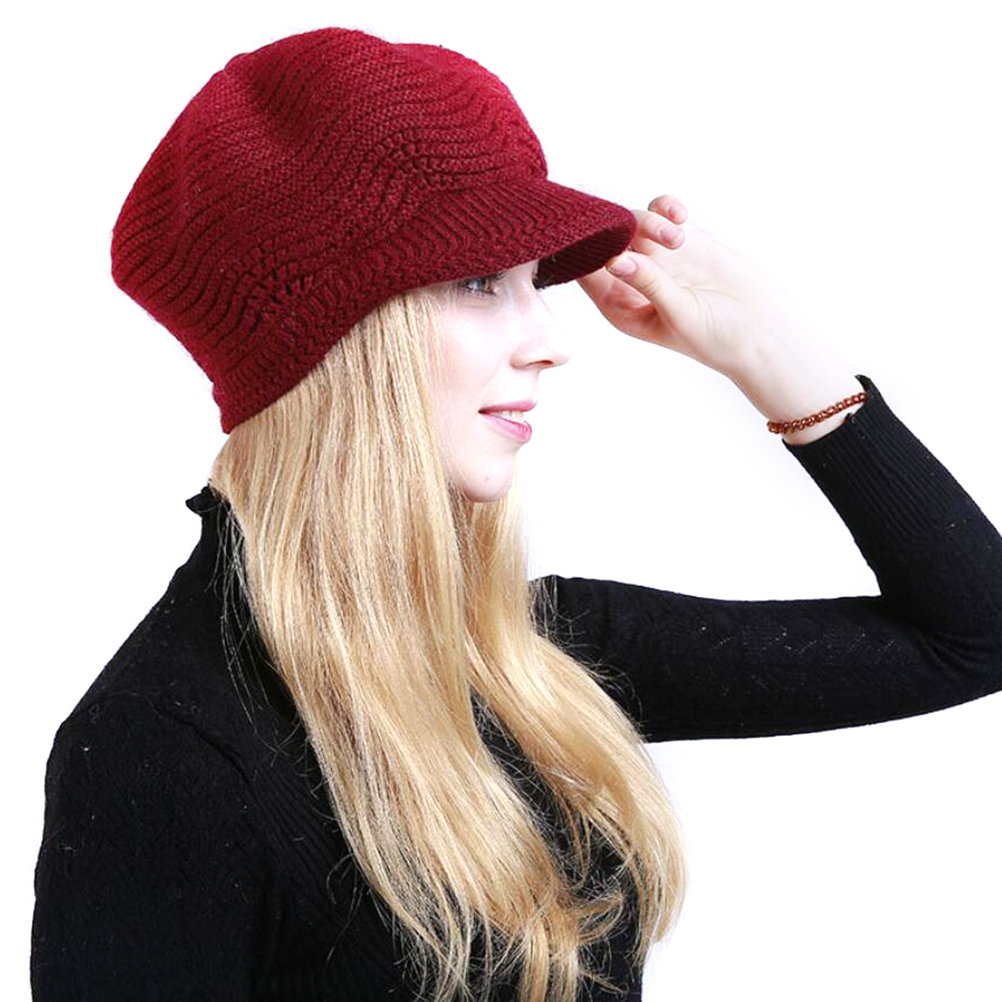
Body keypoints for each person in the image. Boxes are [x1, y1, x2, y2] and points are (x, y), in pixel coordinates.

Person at [29, 25, 1002, 1002]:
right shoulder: (163, 750)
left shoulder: (535, 659)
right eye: (477, 281)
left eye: (534, 280)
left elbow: (974, 634)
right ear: (336, 338)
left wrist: (771, 351)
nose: (550, 339)